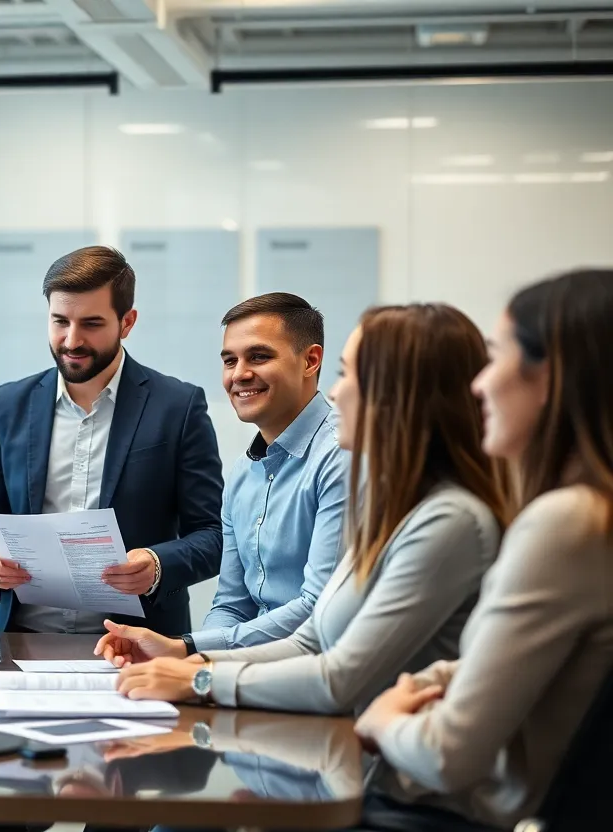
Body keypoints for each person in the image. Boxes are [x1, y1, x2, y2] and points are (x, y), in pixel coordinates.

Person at [106, 304, 512, 717]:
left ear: (399, 393)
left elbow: (338, 673)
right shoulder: (397, 510)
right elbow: (310, 639)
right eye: (230, 360)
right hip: (295, 704)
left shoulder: (444, 518)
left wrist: (197, 676)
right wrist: (186, 655)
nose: (335, 392)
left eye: (349, 374)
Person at [354, 269, 613, 830]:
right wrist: (429, 684)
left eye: (495, 358)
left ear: (551, 378)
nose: (479, 385)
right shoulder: (588, 518)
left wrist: (381, 720)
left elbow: (448, 754)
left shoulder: (567, 524)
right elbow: (500, 665)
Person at [0, 245, 225, 637]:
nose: (71, 340)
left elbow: (213, 534)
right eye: (59, 321)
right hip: (23, 640)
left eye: (92, 324)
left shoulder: (178, 407)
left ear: (127, 322)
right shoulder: (9, 404)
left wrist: (157, 564)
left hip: (138, 645)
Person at [91, 292, 349, 658]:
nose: (239, 374)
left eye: (259, 356)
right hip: (247, 672)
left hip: (315, 675)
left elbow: (318, 607)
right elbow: (231, 605)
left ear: (310, 361)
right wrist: (194, 664)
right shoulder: (243, 475)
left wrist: (189, 649)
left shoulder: (341, 454)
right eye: (230, 360)